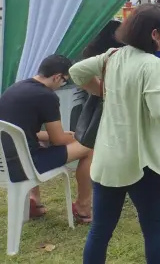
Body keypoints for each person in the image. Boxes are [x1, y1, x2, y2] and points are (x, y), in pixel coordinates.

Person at [70, 4, 160, 263]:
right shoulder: (151, 64)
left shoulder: (113, 56)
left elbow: (76, 72)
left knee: (100, 231)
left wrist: (100, 90)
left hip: (108, 156)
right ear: (154, 34)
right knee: (153, 228)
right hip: (142, 159)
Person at [0, 55, 94, 221]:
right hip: (27, 165)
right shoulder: (47, 96)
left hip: (5, 164)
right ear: (57, 77)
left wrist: (66, 136)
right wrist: (75, 137)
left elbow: (23, 132)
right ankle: (83, 207)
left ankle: (34, 202)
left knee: (38, 142)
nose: (62, 85)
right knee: (88, 148)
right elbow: (58, 140)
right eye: (65, 81)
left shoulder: (15, 88)